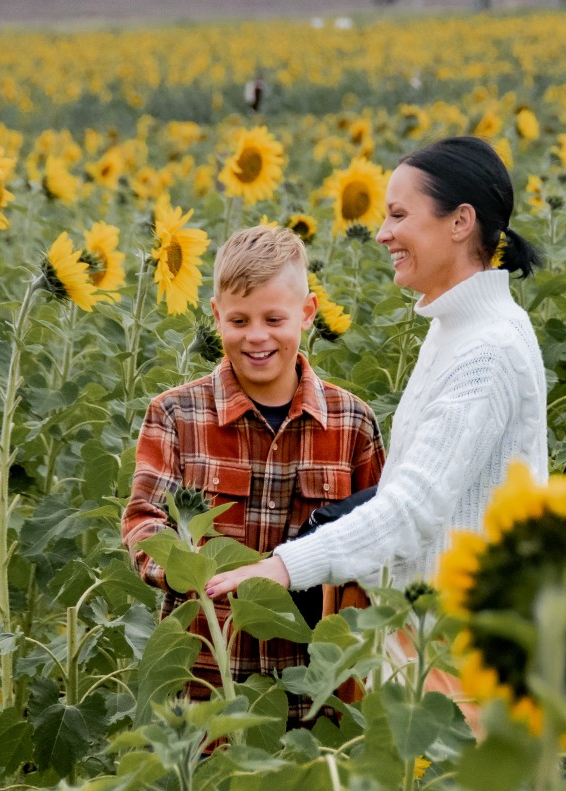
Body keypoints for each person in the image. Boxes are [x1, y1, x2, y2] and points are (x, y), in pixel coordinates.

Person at [204, 138, 548, 708]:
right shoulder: (457, 329)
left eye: (398, 215)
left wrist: (287, 567)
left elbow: (413, 508)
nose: (383, 233)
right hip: (428, 636)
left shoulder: (488, 349)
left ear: (460, 222)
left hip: (463, 651)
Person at [122, 224, 385, 724]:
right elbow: (143, 522)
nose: (257, 336)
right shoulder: (177, 415)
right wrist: (195, 572)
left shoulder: (351, 422)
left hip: (316, 683)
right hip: (206, 675)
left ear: (307, 313)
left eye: (274, 318)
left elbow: (380, 531)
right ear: (217, 315)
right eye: (239, 320)